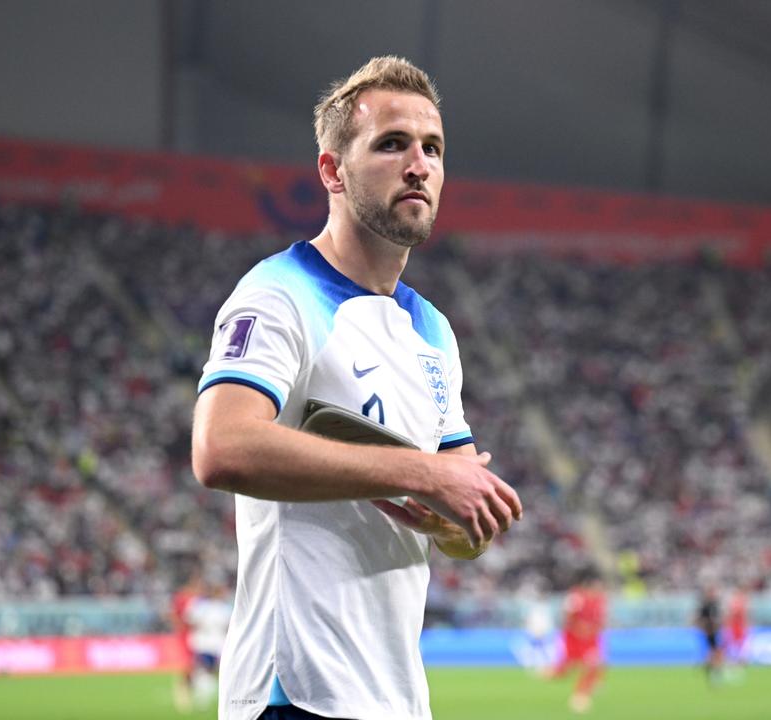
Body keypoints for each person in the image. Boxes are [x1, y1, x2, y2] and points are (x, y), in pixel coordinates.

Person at [191, 55, 523, 720]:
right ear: (332, 171)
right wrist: (423, 474)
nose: (419, 164)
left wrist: (466, 518)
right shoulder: (279, 295)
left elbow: (453, 513)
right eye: (392, 144)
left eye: (433, 148)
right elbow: (220, 447)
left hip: (396, 697)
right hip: (296, 694)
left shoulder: (431, 328)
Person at [549, 571, 608, 713]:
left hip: (591, 638)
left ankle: (581, 695)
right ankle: (579, 695)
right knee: (570, 666)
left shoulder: (600, 599)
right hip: (576, 637)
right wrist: (578, 627)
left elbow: (601, 618)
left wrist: (597, 627)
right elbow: (568, 616)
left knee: (595, 664)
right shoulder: (575, 596)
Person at [171, 576, 206, 713]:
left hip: (200, 637)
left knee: (198, 665)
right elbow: (175, 615)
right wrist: (181, 627)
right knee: (189, 665)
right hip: (187, 636)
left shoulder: (200, 599)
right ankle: (182, 690)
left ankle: (192, 690)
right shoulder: (182, 597)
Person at [694, 587, 724, 685]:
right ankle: (712, 671)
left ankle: (713, 670)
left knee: (716, 652)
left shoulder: (715, 605)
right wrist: (705, 627)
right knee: (713, 652)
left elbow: (719, 618)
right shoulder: (705, 606)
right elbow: (700, 619)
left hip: (716, 632)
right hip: (709, 632)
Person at [725, 587, 749, 673]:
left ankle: (738, 665)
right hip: (734, 629)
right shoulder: (734, 604)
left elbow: (744, 617)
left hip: (739, 629)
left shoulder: (742, 604)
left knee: (740, 648)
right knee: (733, 648)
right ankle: (733, 664)